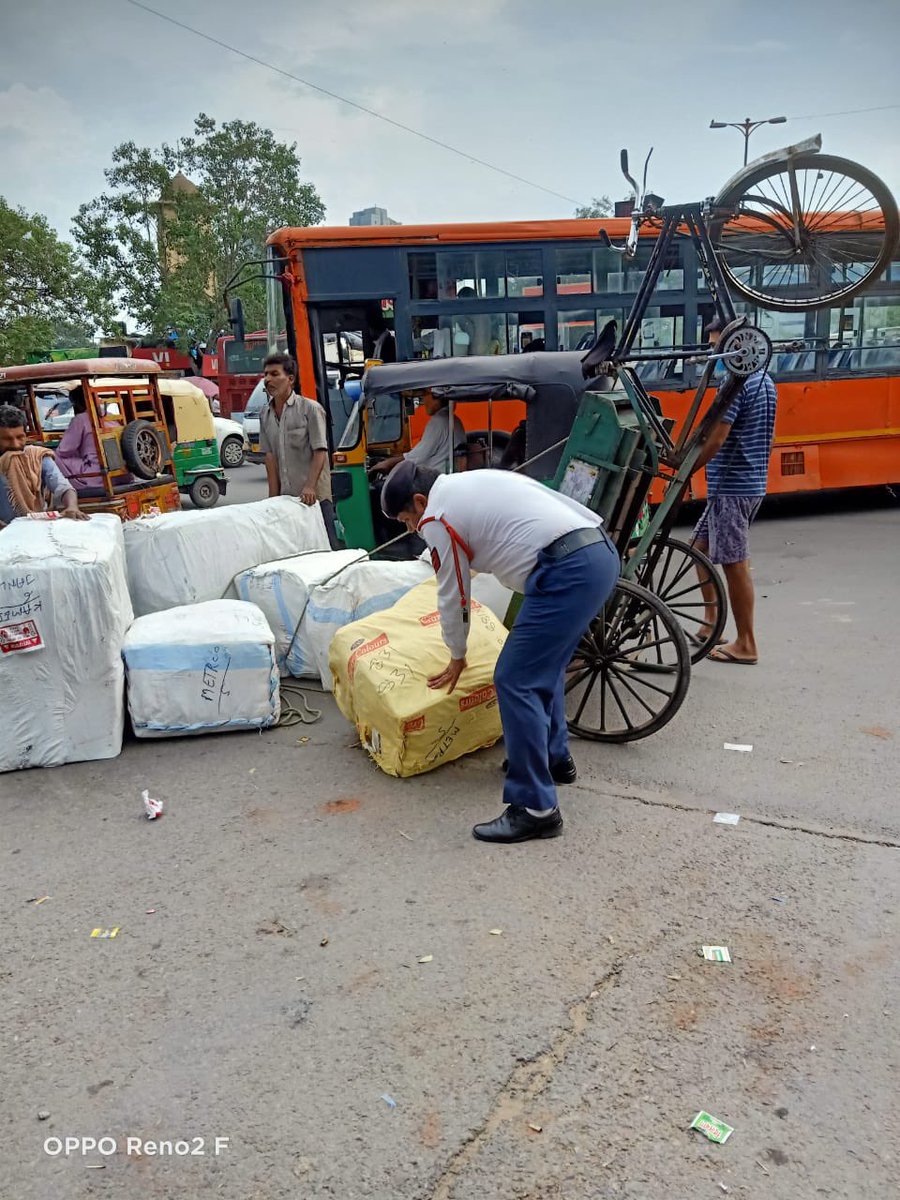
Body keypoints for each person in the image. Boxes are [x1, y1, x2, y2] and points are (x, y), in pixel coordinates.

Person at [381, 461, 620, 844]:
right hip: (596, 554)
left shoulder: (438, 517)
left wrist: (456, 654)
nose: (413, 530)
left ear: (420, 501)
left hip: (566, 570)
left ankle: (535, 809)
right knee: (546, 666)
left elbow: (452, 591)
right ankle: (554, 758)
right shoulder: (469, 482)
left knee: (514, 678)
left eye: (408, 520)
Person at [692, 317, 777, 665]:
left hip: (733, 486)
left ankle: (746, 643)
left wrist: (688, 470)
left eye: (719, 346)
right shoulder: (764, 380)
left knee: (734, 563)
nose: (717, 353)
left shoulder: (738, 384)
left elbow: (717, 437)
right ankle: (711, 623)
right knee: (698, 548)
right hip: (746, 482)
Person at [259, 352, 341, 549]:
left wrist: (310, 486)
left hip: (315, 499)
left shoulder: (310, 409)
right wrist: (273, 499)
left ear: (290, 379)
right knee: (296, 550)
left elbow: (320, 451)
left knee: (327, 548)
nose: (268, 379)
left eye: (274, 374)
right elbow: (269, 457)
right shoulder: (265, 415)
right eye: (266, 374)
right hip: (287, 501)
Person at [0, 405, 88, 528]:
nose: (15, 444)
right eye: (7, 439)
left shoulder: (37, 456)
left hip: (35, 526)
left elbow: (63, 486)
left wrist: (72, 507)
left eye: (20, 437)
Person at [368, 392, 466, 478]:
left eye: (425, 396)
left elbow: (418, 457)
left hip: (435, 478)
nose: (424, 401)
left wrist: (388, 463)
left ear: (436, 398)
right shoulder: (454, 420)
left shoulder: (438, 422)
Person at [54, 387, 102, 489]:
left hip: (96, 475)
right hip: (122, 475)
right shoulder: (111, 416)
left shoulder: (81, 419)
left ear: (77, 403)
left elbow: (64, 451)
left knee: (52, 456)